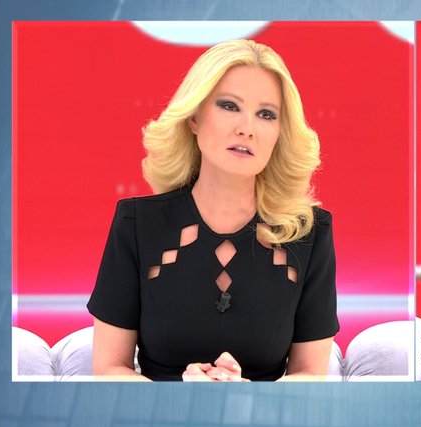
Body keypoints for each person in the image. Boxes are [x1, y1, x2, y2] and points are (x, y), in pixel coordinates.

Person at [88, 40, 338, 381]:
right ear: (194, 117)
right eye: (230, 106)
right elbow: (108, 369)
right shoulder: (136, 224)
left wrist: (247, 394)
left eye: (266, 114)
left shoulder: (310, 233)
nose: (247, 128)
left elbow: (310, 374)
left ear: (280, 132)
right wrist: (179, 396)